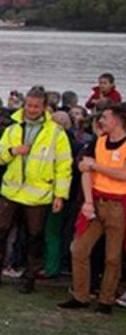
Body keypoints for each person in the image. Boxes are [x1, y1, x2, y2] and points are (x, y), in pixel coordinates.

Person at [0, 87, 74, 292]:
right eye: (29, 105)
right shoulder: (13, 128)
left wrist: (60, 195)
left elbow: (64, 166)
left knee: (34, 237)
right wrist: (14, 151)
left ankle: (29, 279)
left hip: (38, 193)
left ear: (44, 107)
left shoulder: (56, 132)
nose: (31, 110)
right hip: (11, 190)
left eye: (36, 106)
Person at [60, 103, 126, 313]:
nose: (101, 121)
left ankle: (106, 299)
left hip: (119, 205)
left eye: (105, 117)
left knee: (113, 257)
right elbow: (84, 170)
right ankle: (80, 295)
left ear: (117, 120)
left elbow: (123, 174)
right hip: (96, 202)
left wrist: (97, 167)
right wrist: (88, 202)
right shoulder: (98, 142)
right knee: (79, 249)